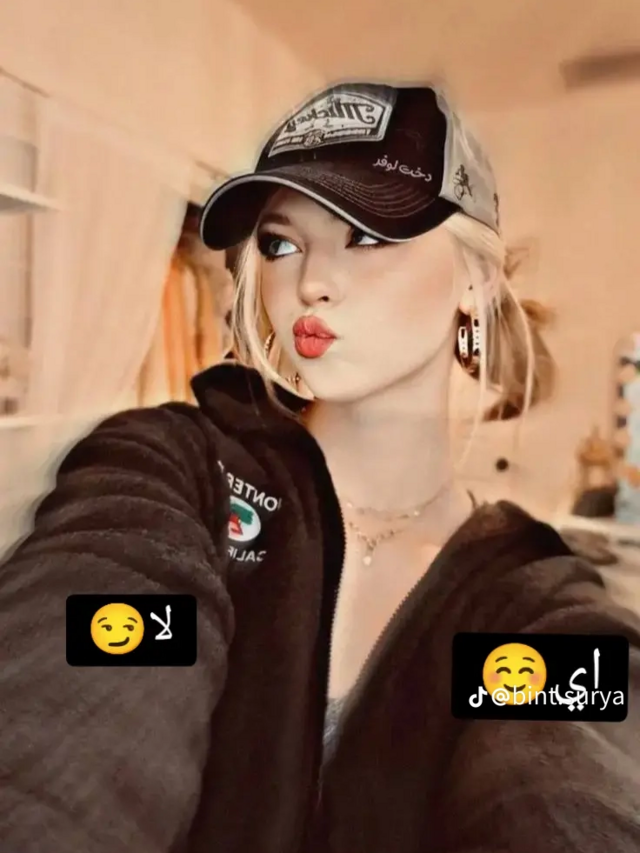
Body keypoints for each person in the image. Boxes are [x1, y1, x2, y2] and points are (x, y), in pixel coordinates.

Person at [1, 81, 640, 853]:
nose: (309, 282)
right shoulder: (176, 474)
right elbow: (84, 670)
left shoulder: (531, 597)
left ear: (476, 281)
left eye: (367, 235)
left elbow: (568, 784)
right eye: (281, 243)